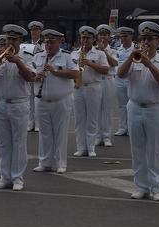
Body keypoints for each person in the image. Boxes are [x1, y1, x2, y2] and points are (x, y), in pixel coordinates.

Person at [118, 21, 159, 201]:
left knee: (155, 150)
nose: (146, 42)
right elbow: (120, 74)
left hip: (155, 108)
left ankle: (157, 187)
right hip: (134, 107)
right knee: (137, 149)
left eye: (150, 39)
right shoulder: (134, 58)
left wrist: (149, 64)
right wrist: (130, 57)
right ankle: (141, 186)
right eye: (144, 38)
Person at [0, 24, 35, 191]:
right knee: (3, 143)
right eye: (8, 39)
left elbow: (30, 77)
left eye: (14, 39)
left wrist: (18, 62)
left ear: (20, 41)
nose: (10, 43)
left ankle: (17, 178)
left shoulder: (27, 57)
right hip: (1, 102)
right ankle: (4, 177)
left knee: (19, 143)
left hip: (19, 104)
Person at [32, 29, 78, 174]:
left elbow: (76, 73)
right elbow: (30, 72)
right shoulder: (38, 56)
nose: (48, 45)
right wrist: (35, 76)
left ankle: (61, 163)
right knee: (44, 133)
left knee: (60, 133)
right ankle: (44, 162)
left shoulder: (66, 56)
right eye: (47, 42)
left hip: (61, 100)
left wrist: (55, 71)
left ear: (59, 41)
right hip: (42, 99)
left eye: (52, 42)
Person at [72, 26, 109, 158]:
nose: (85, 40)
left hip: (93, 86)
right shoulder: (74, 54)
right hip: (78, 87)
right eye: (83, 38)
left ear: (93, 39)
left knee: (92, 119)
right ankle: (81, 147)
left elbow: (106, 70)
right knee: (79, 119)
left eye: (88, 38)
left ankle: (91, 147)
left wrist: (89, 63)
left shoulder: (100, 54)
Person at [96, 24, 119, 147]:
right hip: (97, 80)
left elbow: (114, 63)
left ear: (109, 37)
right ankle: (97, 136)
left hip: (109, 79)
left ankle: (106, 136)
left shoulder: (113, 50)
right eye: (101, 35)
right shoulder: (93, 50)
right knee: (96, 109)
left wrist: (104, 51)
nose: (103, 37)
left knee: (107, 109)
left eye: (105, 35)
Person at [114, 27, 135, 136]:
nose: (123, 39)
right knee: (122, 104)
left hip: (131, 78)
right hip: (119, 78)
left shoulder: (136, 49)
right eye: (121, 36)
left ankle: (131, 127)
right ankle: (123, 127)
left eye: (125, 36)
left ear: (131, 36)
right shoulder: (118, 49)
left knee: (131, 103)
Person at [25, 21, 44, 132]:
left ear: (40, 31)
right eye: (32, 30)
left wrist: (38, 73)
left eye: (36, 30)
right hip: (29, 73)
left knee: (38, 100)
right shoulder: (26, 45)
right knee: (29, 100)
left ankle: (38, 123)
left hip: (39, 75)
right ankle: (30, 122)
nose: (34, 32)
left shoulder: (44, 45)